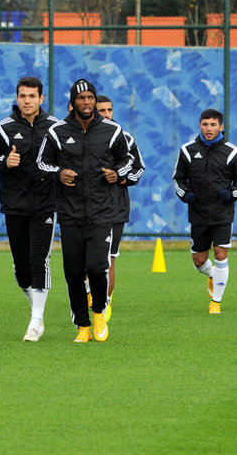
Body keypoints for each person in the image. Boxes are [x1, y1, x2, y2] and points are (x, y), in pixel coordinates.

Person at [37, 79, 134, 343]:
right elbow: (42, 163)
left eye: (90, 97)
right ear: (73, 102)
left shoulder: (112, 131)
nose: (87, 102)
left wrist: (117, 173)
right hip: (70, 213)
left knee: (98, 266)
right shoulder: (57, 132)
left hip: (103, 212)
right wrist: (59, 173)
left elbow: (129, 160)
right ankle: (82, 325)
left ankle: (99, 311)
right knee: (73, 271)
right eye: (81, 98)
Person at [0, 76, 59, 342]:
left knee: (40, 261)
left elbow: (66, 161)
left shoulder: (55, 127)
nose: (27, 101)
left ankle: (35, 322)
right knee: (22, 270)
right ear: (17, 98)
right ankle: (36, 308)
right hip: (14, 205)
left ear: (41, 98)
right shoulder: (3, 128)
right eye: (22, 96)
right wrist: (5, 162)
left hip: (45, 204)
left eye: (32, 96)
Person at [172, 109, 237, 315]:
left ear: (221, 127)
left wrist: (231, 194)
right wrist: (185, 194)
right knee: (198, 261)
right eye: (205, 124)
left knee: (221, 253)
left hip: (223, 212)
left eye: (213, 125)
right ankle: (213, 275)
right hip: (198, 213)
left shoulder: (232, 152)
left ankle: (216, 302)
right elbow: (178, 179)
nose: (209, 128)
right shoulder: (187, 150)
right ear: (200, 125)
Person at [94, 94, 145, 322]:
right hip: (88, 207)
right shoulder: (83, 137)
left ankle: (105, 303)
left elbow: (138, 169)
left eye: (109, 110)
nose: (106, 115)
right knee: (86, 261)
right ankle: (90, 296)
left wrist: (122, 178)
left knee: (109, 259)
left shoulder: (125, 137)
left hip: (116, 206)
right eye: (101, 110)